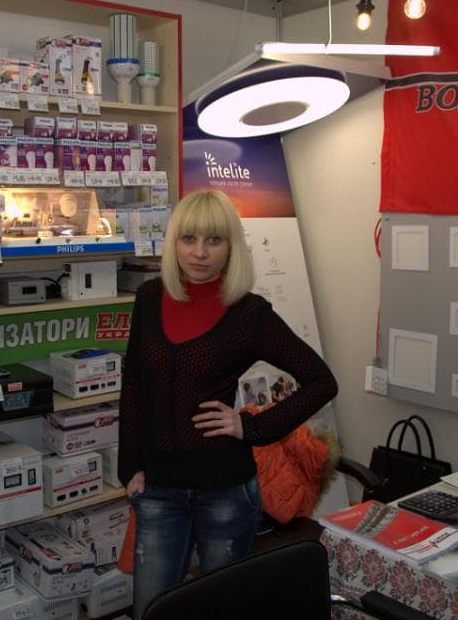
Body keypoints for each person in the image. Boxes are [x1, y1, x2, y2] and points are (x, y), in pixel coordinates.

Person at [117, 189, 338, 618]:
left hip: (225, 491)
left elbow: (321, 381)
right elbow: (135, 386)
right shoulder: (149, 298)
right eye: (189, 239)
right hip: (159, 489)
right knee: (151, 611)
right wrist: (131, 466)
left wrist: (250, 427)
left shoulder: (248, 313)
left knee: (224, 611)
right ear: (174, 242)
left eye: (214, 241)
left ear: (232, 247)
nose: (199, 253)